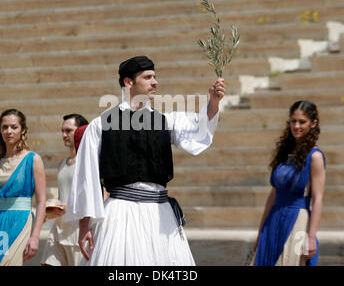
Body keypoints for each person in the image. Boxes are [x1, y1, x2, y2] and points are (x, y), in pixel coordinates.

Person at [64, 55, 225, 265]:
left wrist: (213, 101)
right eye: (148, 77)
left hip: (160, 216)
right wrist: (84, 224)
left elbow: (198, 128)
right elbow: (87, 175)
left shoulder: (165, 121)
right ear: (128, 82)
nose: (155, 82)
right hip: (121, 215)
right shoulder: (100, 125)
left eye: (155, 77)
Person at [251, 100, 326, 266]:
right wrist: (260, 232)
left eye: (302, 122)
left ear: (313, 124)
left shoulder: (315, 157)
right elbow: (273, 194)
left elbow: (318, 198)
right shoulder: (284, 153)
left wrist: (311, 237)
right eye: (293, 121)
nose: (296, 126)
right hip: (273, 219)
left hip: (298, 221)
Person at [0, 109, 47, 266]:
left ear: (23, 130)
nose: (9, 131)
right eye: (4, 127)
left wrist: (35, 236)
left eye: (14, 127)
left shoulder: (33, 159)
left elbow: (41, 200)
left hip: (20, 221)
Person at [41, 114, 89, 266]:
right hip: (59, 230)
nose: (64, 135)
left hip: (79, 232)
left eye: (68, 130)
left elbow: (99, 197)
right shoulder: (62, 163)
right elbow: (63, 196)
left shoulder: (89, 162)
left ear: (81, 131)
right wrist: (51, 208)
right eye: (62, 131)